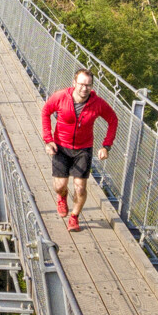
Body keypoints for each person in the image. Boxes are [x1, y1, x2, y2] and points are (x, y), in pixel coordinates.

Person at [41, 68, 118, 232]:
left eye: (88, 85)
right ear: (74, 83)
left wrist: (106, 145)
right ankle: (62, 196)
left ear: (92, 86)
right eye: (82, 84)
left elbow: (113, 119)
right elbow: (46, 112)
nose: (84, 88)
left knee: (80, 187)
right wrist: (48, 140)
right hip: (61, 146)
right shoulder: (61, 97)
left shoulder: (97, 104)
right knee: (59, 185)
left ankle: (74, 217)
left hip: (83, 148)